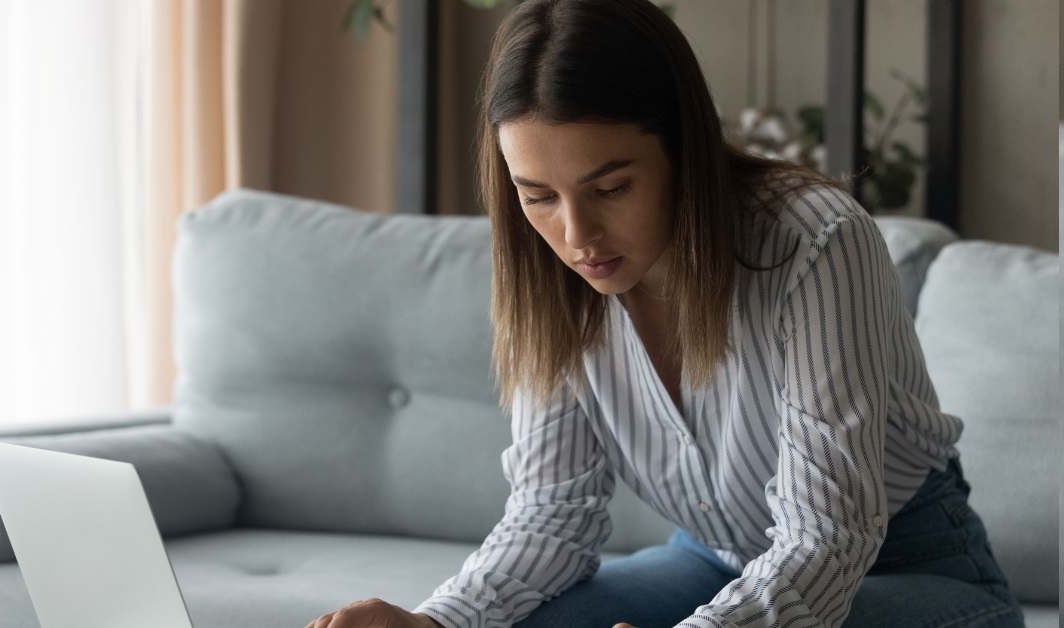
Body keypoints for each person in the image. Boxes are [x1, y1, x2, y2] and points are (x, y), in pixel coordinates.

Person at [306, 0, 1022, 627]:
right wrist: (434, 623)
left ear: (686, 150)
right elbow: (551, 514)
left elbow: (824, 541)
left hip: (910, 570)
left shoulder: (814, 242)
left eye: (610, 187)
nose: (577, 236)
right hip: (718, 564)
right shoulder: (546, 273)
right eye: (539, 195)